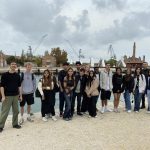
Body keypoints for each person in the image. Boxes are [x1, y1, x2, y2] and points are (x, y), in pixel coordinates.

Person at [0, 62, 22, 133]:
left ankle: (15, 124)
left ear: (16, 66)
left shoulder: (17, 75)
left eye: (15, 65)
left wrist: (20, 95)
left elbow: (19, 86)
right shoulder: (4, 75)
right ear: (10, 66)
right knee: (4, 112)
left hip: (15, 96)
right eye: (12, 64)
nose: (14, 65)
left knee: (16, 111)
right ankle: (0, 126)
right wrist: (3, 96)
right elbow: (1, 86)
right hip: (7, 96)